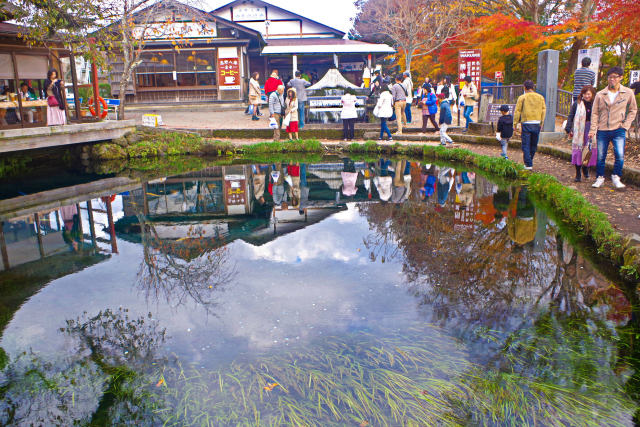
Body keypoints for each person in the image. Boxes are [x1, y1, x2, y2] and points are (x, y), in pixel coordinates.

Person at [589, 66, 638, 189]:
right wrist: (593, 129)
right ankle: (599, 177)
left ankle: (616, 176)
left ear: (620, 78)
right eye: (610, 77)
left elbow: (633, 110)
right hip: (602, 129)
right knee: (601, 156)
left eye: (615, 77)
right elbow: (594, 112)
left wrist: (626, 125)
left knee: (619, 155)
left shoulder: (627, 92)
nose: (612, 80)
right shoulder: (600, 94)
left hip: (619, 129)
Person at [565, 85, 597, 182]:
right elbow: (571, 116)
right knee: (578, 151)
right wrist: (568, 128)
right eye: (585, 94)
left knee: (588, 151)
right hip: (579, 130)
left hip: (591, 129)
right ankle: (578, 173)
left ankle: (585, 168)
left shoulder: (595, 104)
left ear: (592, 94)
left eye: (588, 94)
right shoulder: (577, 104)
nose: (586, 96)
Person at [513, 79, 546, 170]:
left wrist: (515, 123)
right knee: (533, 144)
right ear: (533, 87)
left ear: (525, 87)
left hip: (526, 123)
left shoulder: (522, 97)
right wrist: (542, 122)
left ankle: (528, 164)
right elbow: (543, 110)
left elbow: (518, 111)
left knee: (526, 144)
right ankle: (530, 160)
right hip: (537, 123)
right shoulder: (540, 97)